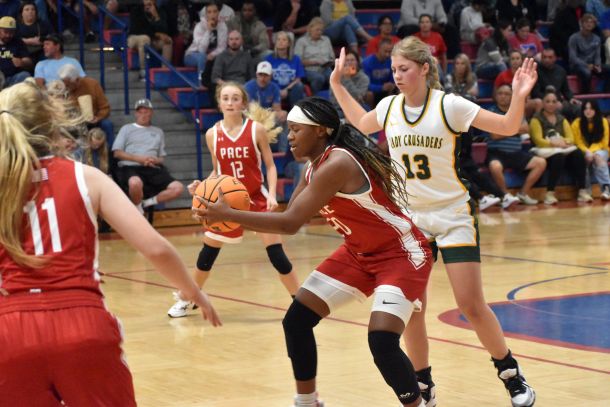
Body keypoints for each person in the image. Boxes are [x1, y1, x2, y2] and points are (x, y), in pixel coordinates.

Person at [330, 37, 537, 407]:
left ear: (424, 68)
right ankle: (423, 383)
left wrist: (519, 96)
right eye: (394, 69)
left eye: (404, 69)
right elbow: (361, 121)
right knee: (413, 308)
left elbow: (507, 126)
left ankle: (511, 374)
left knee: (471, 304)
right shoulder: (389, 106)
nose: (397, 75)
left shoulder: (449, 106)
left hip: (452, 215)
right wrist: (336, 84)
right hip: (410, 221)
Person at [195, 96, 432, 407]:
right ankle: (307, 402)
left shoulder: (338, 163)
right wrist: (215, 199)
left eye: (296, 130)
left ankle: (419, 403)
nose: (290, 137)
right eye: (289, 130)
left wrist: (229, 214)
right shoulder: (313, 168)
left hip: (401, 254)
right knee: (296, 321)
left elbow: (290, 224)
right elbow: (288, 216)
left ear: (320, 130)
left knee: (382, 340)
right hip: (358, 254)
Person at [0, 82, 220, 406]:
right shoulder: (85, 177)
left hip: (10, 331)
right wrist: (192, 291)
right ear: (50, 120)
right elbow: (156, 248)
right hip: (82, 323)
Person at [167, 82, 300, 317]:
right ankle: (189, 298)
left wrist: (272, 194)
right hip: (225, 203)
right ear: (219, 103)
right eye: (226, 98)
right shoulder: (212, 134)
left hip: (256, 198)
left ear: (243, 103)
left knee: (277, 256)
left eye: (235, 98)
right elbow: (217, 171)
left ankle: (301, 302)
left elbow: (270, 166)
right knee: (207, 255)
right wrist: (202, 186)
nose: (230, 103)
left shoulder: (256, 130)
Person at [112, 98, 185, 214]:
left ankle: (146, 203)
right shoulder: (126, 128)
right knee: (135, 183)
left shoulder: (158, 132)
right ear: (136, 114)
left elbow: (161, 158)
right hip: (130, 167)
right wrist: (139, 159)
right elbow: (117, 153)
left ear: (151, 113)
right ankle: (137, 208)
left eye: (146, 112)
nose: (143, 115)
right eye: (140, 112)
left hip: (152, 167)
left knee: (178, 188)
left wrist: (155, 160)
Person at [486, 84, 546, 207]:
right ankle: (506, 196)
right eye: (500, 93)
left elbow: (526, 129)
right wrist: (514, 129)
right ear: (496, 96)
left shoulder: (517, 111)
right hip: (497, 152)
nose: (503, 96)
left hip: (516, 153)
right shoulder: (491, 112)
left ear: (512, 97)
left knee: (541, 162)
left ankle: (523, 194)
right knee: (495, 166)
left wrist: (504, 130)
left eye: (506, 94)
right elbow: (494, 135)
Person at [529, 90, 591, 204]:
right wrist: (553, 143)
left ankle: (582, 191)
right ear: (543, 103)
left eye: (554, 101)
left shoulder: (562, 118)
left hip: (561, 149)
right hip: (545, 153)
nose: (551, 104)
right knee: (558, 157)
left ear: (557, 103)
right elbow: (537, 140)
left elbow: (571, 138)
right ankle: (549, 193)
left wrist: (563, 142)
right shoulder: (536, 119)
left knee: (578, 154)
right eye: (548, 101)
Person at [58, 64, 114, 142]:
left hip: (93, 121)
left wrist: (98, 118)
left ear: (77, 80)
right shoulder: (62, 89)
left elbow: (105, 107)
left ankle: (109, 149)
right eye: (64, 84)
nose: (65, 87)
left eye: (68, 84)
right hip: (73, 123)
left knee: (107, 124)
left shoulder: (92, 84)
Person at [572, 99, 610, 200]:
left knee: (598, 157)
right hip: (584, 150)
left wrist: (591, 152)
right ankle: (586, 191)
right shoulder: (576, 123)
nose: (588, 111)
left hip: (602, 149)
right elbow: (578, 142)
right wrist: (587, 151)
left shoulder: (603, 121)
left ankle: (606, 189)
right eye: (585, 108)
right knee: (584, 159)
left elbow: (604, 142)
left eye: (591, 108)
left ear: (596, 110)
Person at [184, 1, 228, 87]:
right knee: (202, 56)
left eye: (215, 11)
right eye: (209, 12)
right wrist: (208, 30)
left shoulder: (222, 26)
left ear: (218, 13)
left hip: (211, 54)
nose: (212, 14)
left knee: (225, 54)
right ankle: (201, 83)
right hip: (192, 55)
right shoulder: (199, 26)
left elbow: (222, 47)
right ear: (206, 14)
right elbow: (201, 49)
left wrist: (212, 54)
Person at [568, 13, 610, 94]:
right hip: (577, 65)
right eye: (586, 22)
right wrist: (586, 65)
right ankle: (585, 96)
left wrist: (597, 65)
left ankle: (606, 94)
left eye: (591, 22)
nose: (589, 24)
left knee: (608, 69)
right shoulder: (573, 38)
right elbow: (573, 58)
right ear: (581, 23)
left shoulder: (597, 38)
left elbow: (597, 55)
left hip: (592, 65)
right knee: (586, 72)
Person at [265, 31, 306, 110]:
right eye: (278, 39)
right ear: (275, 42)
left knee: (299, 86)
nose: (280, 42)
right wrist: (278, 90)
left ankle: (295, 113)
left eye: (284, 40)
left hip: (290, 90)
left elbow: (298, 79)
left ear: (289, 43)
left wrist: (286, 90)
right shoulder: (268, 59)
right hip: (273, 89)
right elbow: (266, 78)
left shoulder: (296, 59)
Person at [294, 17, 335, 95]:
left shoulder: (326, 40)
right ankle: (314, 97)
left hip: (325, 68)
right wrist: (314, 62)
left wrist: (330, 62)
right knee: (319, 78)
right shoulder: (301, 41)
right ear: (310, 29)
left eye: (321, 30)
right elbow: (298, 61)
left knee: (334, 78)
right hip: (308, 69)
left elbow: (332, 57)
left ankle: (333, 98)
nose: (319, 32)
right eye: (317, 30)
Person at [15, 1, 53, 66]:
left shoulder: (43, 24)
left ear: (36, 12)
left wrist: (41, 40)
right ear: (22, 13)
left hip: (41, 51)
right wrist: (27, 41)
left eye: (33, 9)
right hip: (23, 53)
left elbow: (53, 36)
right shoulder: (16, 25)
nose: (30, 12)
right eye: (27, 10)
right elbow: (12, 39)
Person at [0, 16, 32, 89]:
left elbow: (29, 61)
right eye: (5, 32)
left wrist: (22, 62)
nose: (8, 35)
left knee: (25, 75)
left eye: (11, 32)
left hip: (12, 79)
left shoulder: (18, 42)